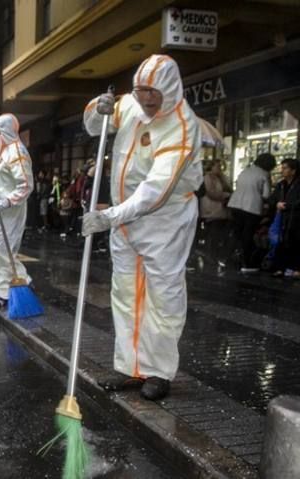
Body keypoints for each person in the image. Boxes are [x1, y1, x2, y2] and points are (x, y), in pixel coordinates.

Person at [81, 54, 203, 401]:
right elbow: (94, 125)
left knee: (163, 296)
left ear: (170, 88)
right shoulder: (131, 105)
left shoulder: (182, 125)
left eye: (154, 93)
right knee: (125, 292)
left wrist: (109, 217)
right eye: (140, 92)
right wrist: (96, 107)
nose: (147, 100)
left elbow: (155, 190)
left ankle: (158, 371)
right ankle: (131, 367)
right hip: (123, 219)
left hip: (164, 220)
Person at [0, 113, 34, 310]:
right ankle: (25, 280)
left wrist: (7, 202)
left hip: (10, 212)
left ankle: (1, 293)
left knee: (1, 252)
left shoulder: (17, 153)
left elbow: (26, 185)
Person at [227, 153, 276, 273]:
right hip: (251, 207)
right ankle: (247, 263)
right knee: (248, 235)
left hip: (235, 204)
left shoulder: (245, 171)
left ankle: (227, 258)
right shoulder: (264, 174)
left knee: (237, 232)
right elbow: (266, 194)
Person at [268, 158, 300, 278]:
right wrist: (277, 204)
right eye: (282, 168)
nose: (282, 170)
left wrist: (287, 205)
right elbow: (272, 199)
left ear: (293, 171)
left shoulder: (298, 185)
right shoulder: (281, 185)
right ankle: (280, 267)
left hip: (295, 218)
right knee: (281, 241)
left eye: (285, 168)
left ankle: (295, 268)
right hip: (283, 218)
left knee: (295, 242)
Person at [200, 159, 232, 268]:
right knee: (212, 234)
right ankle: (209, 255)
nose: (219, 169)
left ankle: (214, 255)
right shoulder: (208, 178)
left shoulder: (222, 178)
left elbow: (228, 188)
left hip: (222, 210)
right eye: (217, 166)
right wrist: (225, 195)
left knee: (217, 234)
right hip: (212, 210)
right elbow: (211, 193)